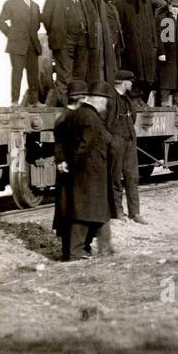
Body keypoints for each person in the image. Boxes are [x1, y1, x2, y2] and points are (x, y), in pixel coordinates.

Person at [52, 80, 113, 261]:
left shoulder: (67, 116)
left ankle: (98, 248)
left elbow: (62, 143)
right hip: (87, 172)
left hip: (82, 172)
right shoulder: (87, 117)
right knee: (84, 212)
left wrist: (64, 161)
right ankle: (78, 251)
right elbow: (84, 146)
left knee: (90, 211)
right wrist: (71, 164)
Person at [42, 0, 90, 101]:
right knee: (64, 75)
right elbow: (46, 18)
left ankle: (77, 104)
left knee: (79, 74)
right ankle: (65, 105)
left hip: (82, 42)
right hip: (63, 42)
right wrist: (56, 34)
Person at [0, 0, 42, 105]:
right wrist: (12, 35)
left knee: (33, 75)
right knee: (17, 73)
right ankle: (15, 101)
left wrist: (31, 34)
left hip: (32, 46)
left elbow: (37, 25)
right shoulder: (11, 4)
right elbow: (0, 21)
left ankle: (35, 101)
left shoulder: (35, 6)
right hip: (17, 46)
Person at [106, 69, 145, 225]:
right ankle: (117, 213)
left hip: (129, 141)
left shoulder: (127, 99)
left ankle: (135, 212)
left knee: (132, 177)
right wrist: (112, 140)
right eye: (129, 81)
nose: (131, 84)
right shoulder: (110, 99)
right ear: (123, 82)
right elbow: (103, 122)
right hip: (117, 142)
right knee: (115, 177)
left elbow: (133, 117)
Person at [117, 0, 158, 103]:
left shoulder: (146, 4)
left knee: (146, 77)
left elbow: (151, 25)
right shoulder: (121, 4)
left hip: (146, 47)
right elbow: (119, 27)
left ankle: (142, 99)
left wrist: (154, 44)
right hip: (131, 47)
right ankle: (134, 99)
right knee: (133, 73)